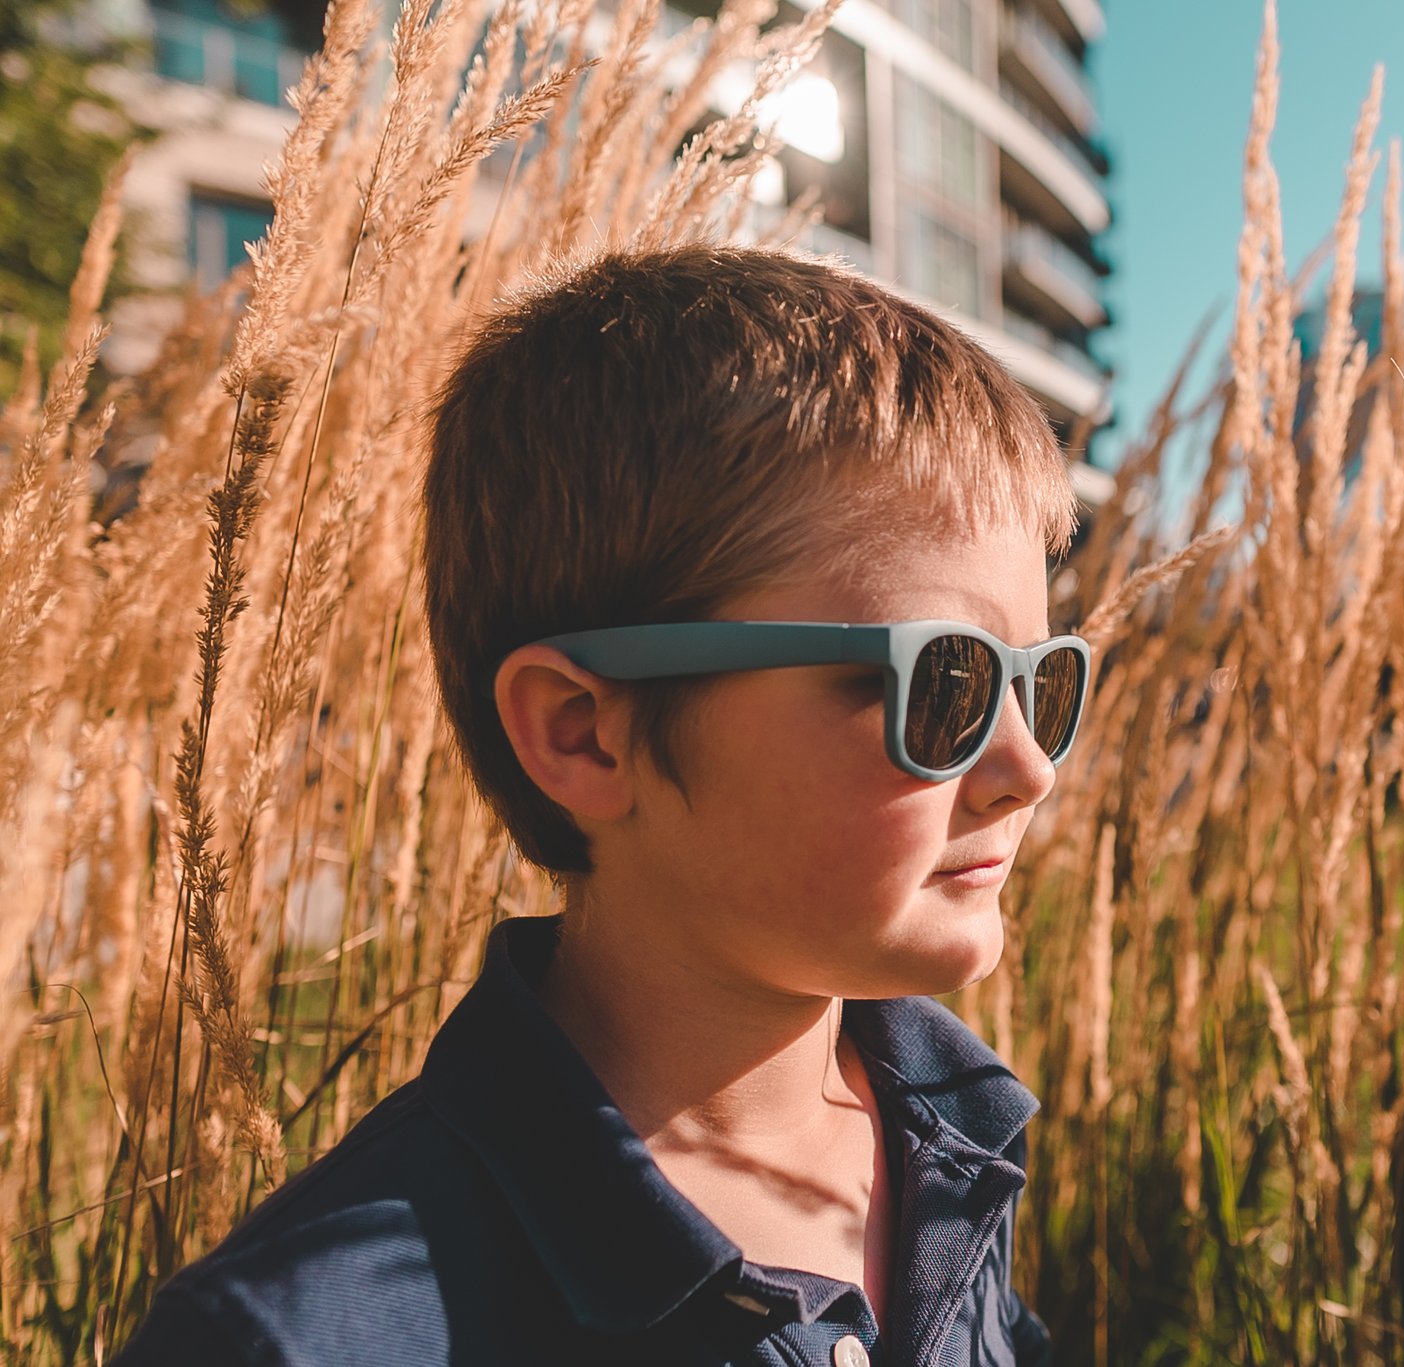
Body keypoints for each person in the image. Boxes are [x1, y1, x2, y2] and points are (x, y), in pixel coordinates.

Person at [111, 244, 1090, 1367]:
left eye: (1041, 682)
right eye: (947, 682)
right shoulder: (312, 1332)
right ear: (581, 731)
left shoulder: (951, 1139)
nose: (1028, 764)